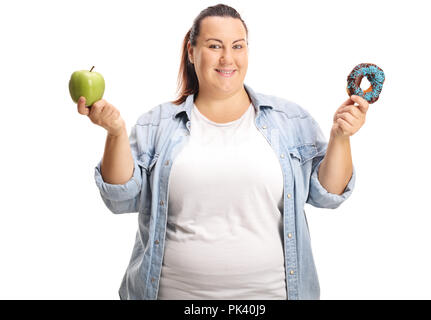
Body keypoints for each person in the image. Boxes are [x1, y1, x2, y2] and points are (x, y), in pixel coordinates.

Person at [77, 3, 368, 300]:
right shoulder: (157, 123)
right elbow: (120, 198)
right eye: (215, 46)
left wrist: (341, 137)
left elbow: (328, 194)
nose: (228, 58)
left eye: (237, 46)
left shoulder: (289, 120)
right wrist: (115, 133)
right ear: (192, 52)